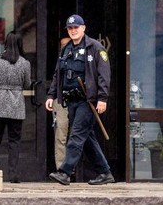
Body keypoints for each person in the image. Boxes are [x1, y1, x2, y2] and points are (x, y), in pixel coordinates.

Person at [45, 14, 114, 186]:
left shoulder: (96, 48)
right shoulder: (66, 49)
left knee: (75, 135)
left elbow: (104, 75)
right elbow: (57, 74)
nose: (73, 30)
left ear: (84, 28)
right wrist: (51, 95)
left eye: (76, 27)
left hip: (87, 101)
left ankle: (65, 172)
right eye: (70, 28)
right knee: (87, 138)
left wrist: (102, 98)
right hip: (72, 101)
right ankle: (105, 172)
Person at [0, 31, 31, 183]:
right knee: (14, 140)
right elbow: (27, 84)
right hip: (15, 104)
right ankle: (13, 174)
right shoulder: (24, 63)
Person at [53, 37, 71, 170]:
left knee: (77, 136)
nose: (64, 47)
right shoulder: (60, 61)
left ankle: (72, 167)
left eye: (67, 44)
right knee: (61, 135)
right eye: (62, 45)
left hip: (77, 101)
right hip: (61, 100)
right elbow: (55, 79)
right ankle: (61, 169)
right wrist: (50, 96)